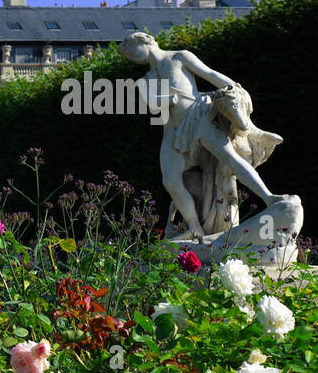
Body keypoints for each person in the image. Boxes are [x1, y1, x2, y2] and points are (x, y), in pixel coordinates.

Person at [117, 32, 284, 239]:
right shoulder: (145, 79)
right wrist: (169, 97)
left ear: (144, 41)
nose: (133, 59)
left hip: (197, 117)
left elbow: (210, 74)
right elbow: (152, 103)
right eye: (129, 58)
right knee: (171, 182)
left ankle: (269, 197)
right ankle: (194, 227)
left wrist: (235, 88)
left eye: (131, 52)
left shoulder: (179, 57)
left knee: (230, 159)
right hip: (172, 130)